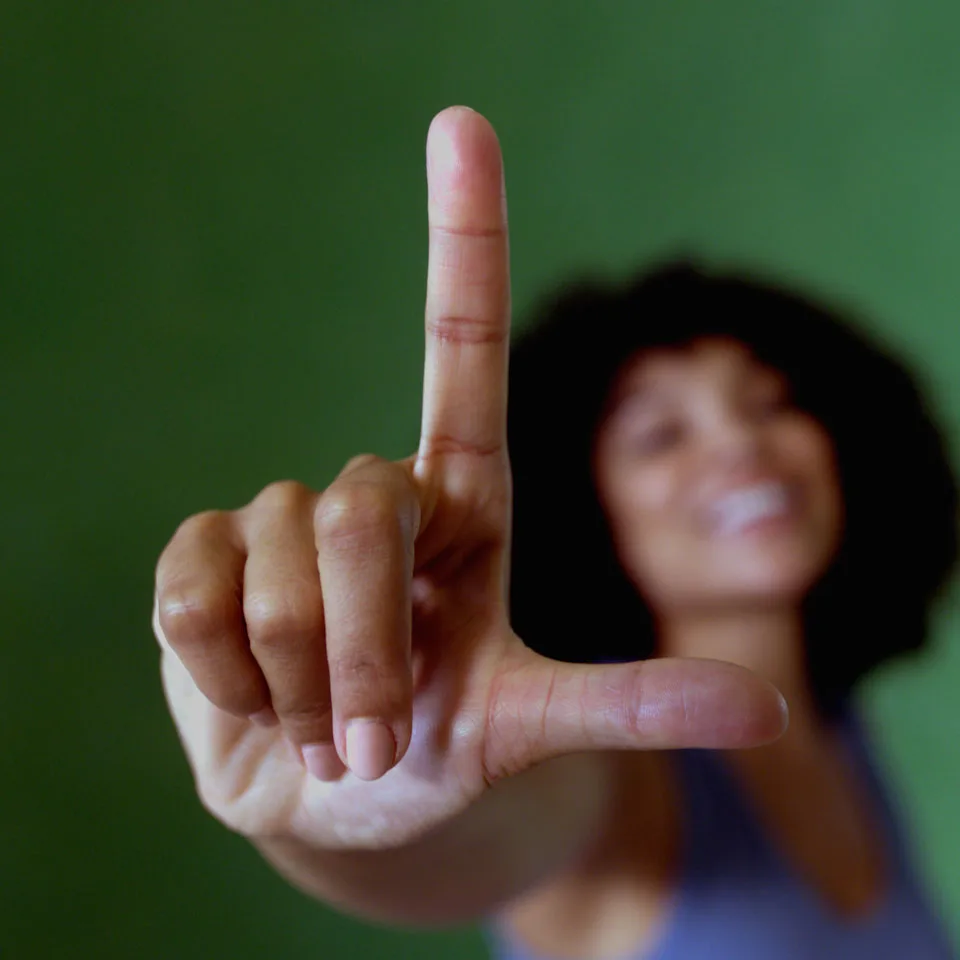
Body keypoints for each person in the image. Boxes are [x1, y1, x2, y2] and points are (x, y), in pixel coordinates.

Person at [152, 107, 958, 958]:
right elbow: (500, 833)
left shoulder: (837, 726)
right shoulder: (610, 774)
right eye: (661, 435)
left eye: (772, 403)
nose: (742, 444)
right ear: (584, 504)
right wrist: (368, 780)